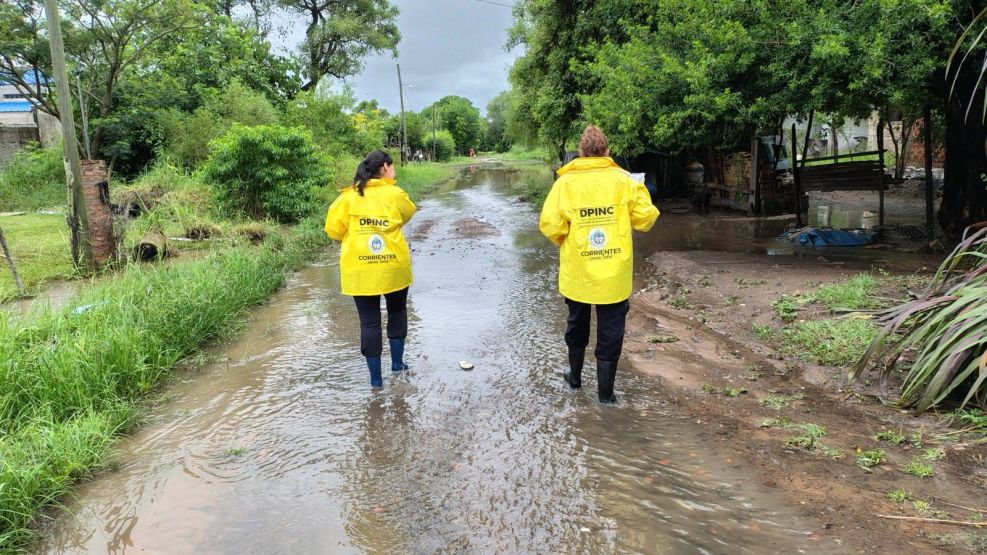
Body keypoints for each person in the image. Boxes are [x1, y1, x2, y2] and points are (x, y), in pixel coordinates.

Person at [539, 125, 660, 403]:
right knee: (611, 331)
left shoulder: (565, 184)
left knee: (576, 324)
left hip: (578, 273)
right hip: (614, 275)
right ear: (607, 152)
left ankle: (575, 378)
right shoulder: (625, 180)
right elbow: (646, 219)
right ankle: (606, 396)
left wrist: (571, 241)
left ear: (581, 153)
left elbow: (550, 226)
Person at [325, 151, 417, 388]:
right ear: (385, 167)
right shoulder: (395, 194)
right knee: (397, 312)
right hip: (393, 266)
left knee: (369, 323)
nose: (394, 171)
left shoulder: (348, 197)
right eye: (392, 167)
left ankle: (375, 380)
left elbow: (333, 230)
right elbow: (407, 214)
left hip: (360, 269)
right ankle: (397, 365)